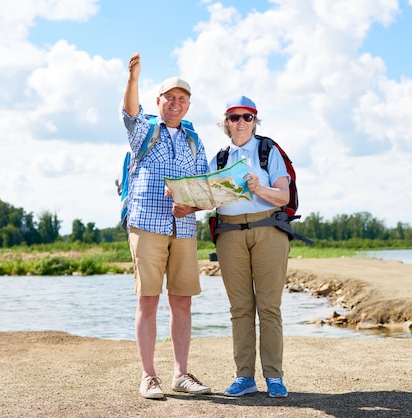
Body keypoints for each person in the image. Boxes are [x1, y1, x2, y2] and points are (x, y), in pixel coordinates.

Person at [121, 52, 211, 399]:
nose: (176, 103)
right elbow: (130, 111)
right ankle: (148, 377)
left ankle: (181, 374)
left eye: (182, 99)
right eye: (170, 98)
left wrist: (191, 204)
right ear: (158, 101)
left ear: (188, 105)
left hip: (184, 230)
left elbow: (205, 188)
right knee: (147, 300)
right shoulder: (145, 130)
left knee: (182, 302)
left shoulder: (194, 140)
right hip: (147, 225)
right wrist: (133, 79)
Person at [209, 95, 291, 398]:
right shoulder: (218, 158)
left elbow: (283, 197)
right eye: (234, 117)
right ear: (225, 123)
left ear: (255, 121)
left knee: (269, 307)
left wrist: (260, 188)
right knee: (240, 309)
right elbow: (208, 198)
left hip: (268, 229)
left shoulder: (268, 151)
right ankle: (244, 377)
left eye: (247, 117)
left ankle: (274, 377)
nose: (241, 122)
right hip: (229, 234)